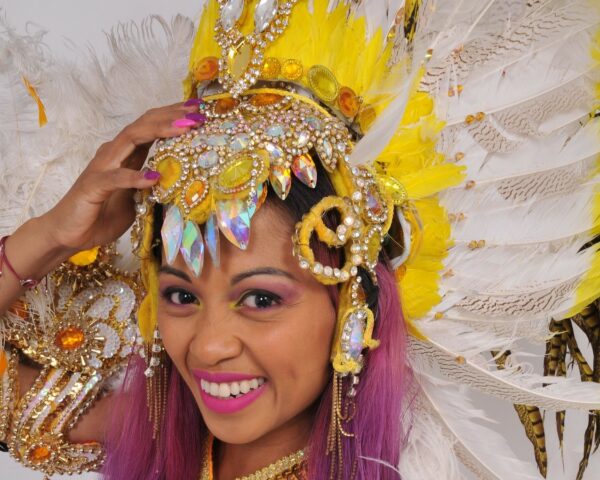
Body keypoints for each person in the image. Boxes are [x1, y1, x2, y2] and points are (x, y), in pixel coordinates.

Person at [1, 1, 600, 479]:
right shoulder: (155, 442)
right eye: (182, 295)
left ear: (354, 311)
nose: (208, 348)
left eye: (260, 299)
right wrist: (50, 235)